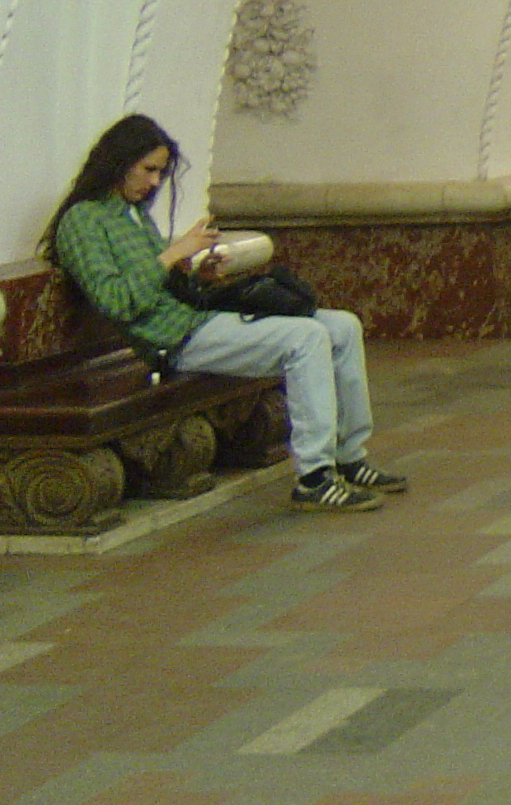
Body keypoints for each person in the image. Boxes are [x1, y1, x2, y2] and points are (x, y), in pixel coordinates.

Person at [44, 115, 404, 513]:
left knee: (342, 325)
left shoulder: (131, 214)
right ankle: (314, 477)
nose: (153, 183)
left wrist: (195, 274)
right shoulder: (83, 221)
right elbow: (116, 300)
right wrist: (171, 255)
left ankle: (349, 455)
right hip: (173, 341)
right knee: (306, 338)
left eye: (160, 173)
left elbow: (157, 286)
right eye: (148, 170)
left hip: (195, 320)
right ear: (118, 161)